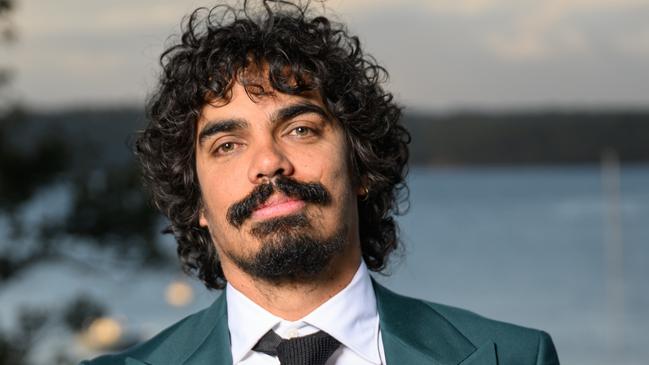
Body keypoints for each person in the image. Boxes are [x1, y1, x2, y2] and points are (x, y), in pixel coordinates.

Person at [83, 1, 560, 364]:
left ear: (360, 166)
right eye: (227, 144)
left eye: (300, 129)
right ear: (196, 204)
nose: (268, 162)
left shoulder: (516, 355)